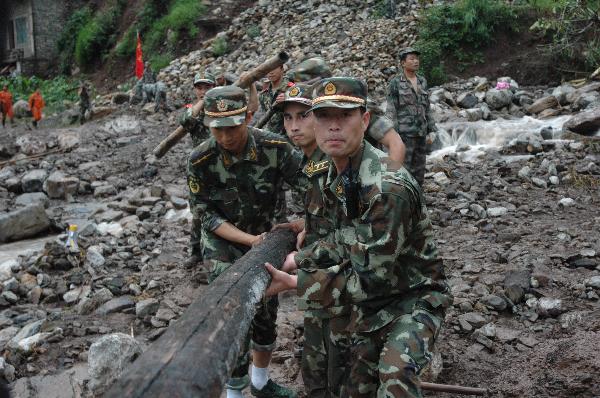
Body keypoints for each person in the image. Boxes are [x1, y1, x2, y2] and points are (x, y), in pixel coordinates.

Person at [265, 77, 452, 397]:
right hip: (369, 301)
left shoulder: (387, 187)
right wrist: (298, 258)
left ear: (364, 121)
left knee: (395, 375)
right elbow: (343, 236)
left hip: (410, 297)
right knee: (350, 387)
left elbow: (370, 277)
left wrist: (296, 281)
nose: (332, 127)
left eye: (344, 116)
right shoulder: (329, 173)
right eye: (324, 116)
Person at [187, 86, 300, 398]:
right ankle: (234, 393)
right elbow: (205, 215)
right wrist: (250, 240)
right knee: (231, 314)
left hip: (269, 236)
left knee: (265, 308)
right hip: (224, 241)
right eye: (217, 129)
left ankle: (261, 383)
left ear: (249, 116)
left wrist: (303, 222)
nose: (225, 138)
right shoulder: (201, 159)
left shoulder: (275, 147)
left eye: (233, 128)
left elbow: (310, 184)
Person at [386, 47, 437, 186]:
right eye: (412, 59)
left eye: (417, 58)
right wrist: (394, 135)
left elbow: (426, 107)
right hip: (405, 134)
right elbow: (391, 110)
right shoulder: (395, 83)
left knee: (420, 169)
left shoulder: (422, 81)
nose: (416, 61)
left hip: (421, 132)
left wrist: (432, 129)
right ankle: (405, 199)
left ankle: (418, 198)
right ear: (403, 63)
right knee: (404, 168)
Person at [258, 63, 290, 136]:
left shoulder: (291, 89)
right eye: (268, 69)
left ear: (282, 70)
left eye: (274, 68)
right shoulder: (263, 95)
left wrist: (289, 100)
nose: (270, 72)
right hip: (271, 136)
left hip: (289, 135)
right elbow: (266, 118)